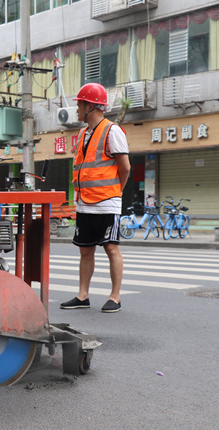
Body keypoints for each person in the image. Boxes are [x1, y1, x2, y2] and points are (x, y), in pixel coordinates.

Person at [60, 83, 131, 313]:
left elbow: (125, 167)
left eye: (79, 105)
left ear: (90, 106)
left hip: (107, 202)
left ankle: (115, 296)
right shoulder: (83, 134)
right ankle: (83, 296)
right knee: (85, 250)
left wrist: (116, 192)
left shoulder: (113, 131)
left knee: (111, 248)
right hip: (85, 203)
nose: (77, 110)